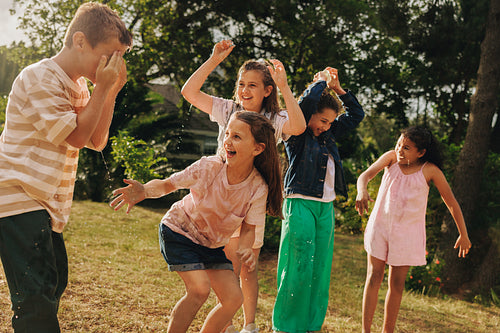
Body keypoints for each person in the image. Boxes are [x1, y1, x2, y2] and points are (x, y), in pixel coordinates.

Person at [0, 3, 132, 332]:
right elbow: (75, 136)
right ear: (80, 41)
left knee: (53, 283)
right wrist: (103, 87)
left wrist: (110, 90)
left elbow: (96, 139)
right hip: (17, 199)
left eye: (120, 58)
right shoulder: (39, 78)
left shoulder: (80, 86)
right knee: (36, 295)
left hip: (44, 205)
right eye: (110, 55)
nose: (115, 64)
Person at [110, 111, 283, 333]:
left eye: (237, 137)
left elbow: (249, 228)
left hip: (209, 245)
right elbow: (167, 185)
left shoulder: (258, 188)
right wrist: (144, 190)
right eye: (227, 133)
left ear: (257, 149)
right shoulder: (209, 167)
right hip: (179, 231)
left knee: (233, 299)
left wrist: (246, 248)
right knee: (199, 289)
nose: (228, 141)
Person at [181, 39, 306, 333]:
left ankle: (249, 326)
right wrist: (213, 60)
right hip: (221, 200)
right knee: (227, 266)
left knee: (248, 267)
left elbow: (299, 127)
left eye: (252, 85)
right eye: (241, 84)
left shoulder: (274, 119)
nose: (244, 90)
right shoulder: (227, 110)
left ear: (267, 90)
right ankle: (223, 323)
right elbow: (188, 92)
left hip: (252, 202)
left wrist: (285, 87)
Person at [272, 68, 365, 333]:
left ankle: (312, 325)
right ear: (309, 116)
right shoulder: (297, 133)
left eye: (329, 122)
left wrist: (338, 89)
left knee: (320, 268)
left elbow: (357, 115)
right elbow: (305, 105)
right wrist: (320, 82)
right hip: (299, 203)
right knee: (298, 264)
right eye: (322, 120)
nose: (325, 126)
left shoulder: (328, 135)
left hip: (326, 207)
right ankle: (287, 326)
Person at [355, 126, 472, 333]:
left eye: (406, 148)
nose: (400, 150)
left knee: (396, 285)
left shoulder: (430, 171)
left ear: (421, 152)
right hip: (380, 227)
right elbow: (365, 176)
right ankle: (366, 331)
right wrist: (361, 191)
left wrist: (463, 234)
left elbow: (452, 202)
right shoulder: (390, 158)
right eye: (399, 144)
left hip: (407, 236)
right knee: (374, 276)